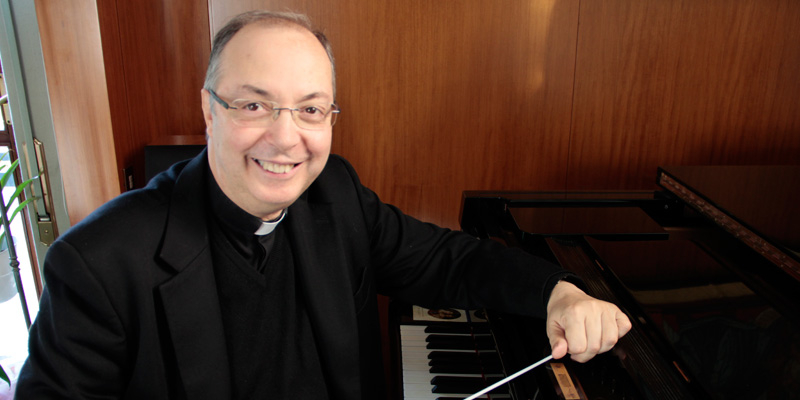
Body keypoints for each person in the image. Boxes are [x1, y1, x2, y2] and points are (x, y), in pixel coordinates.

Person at [16, 10, 631, 400]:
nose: (287, 138)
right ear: (208, 109)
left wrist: (560, 293)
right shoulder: (95, 264)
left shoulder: (333, 193)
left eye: (311, 109)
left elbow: (447, 260)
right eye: (254, 105)